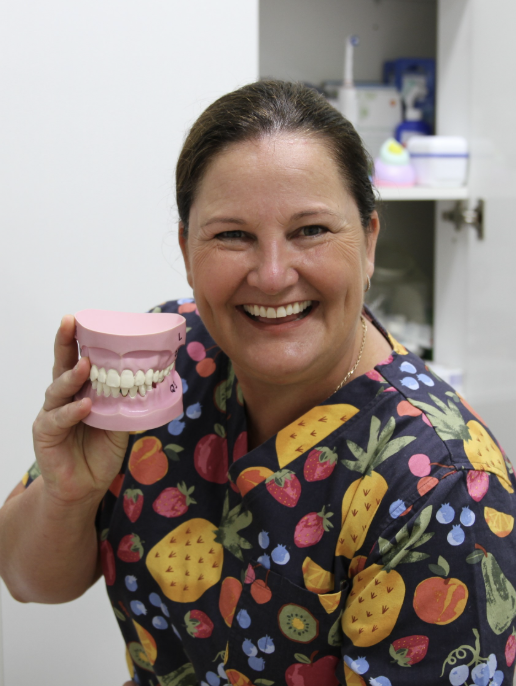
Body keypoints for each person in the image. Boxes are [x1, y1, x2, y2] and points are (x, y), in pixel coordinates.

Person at [1, 80, 515, 686]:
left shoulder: (445, 485)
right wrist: (68, 494)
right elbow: (29, 581)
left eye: (311, 230)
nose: (272, 276)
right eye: (232, 235)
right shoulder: (163, 363)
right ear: (187, 250)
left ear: (369, 242)